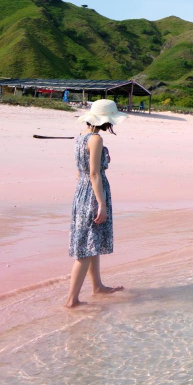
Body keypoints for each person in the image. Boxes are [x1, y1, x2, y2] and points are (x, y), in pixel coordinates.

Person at [65, 99, 126, 307]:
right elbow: (94, 173)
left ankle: (97, 286)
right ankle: (72, 300)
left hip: (81, 191)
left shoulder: (81, 136)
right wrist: (101, 203)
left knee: (93, 243)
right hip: (93, 192)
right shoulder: (96, 140)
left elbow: (80, 172)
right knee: (85, 248)